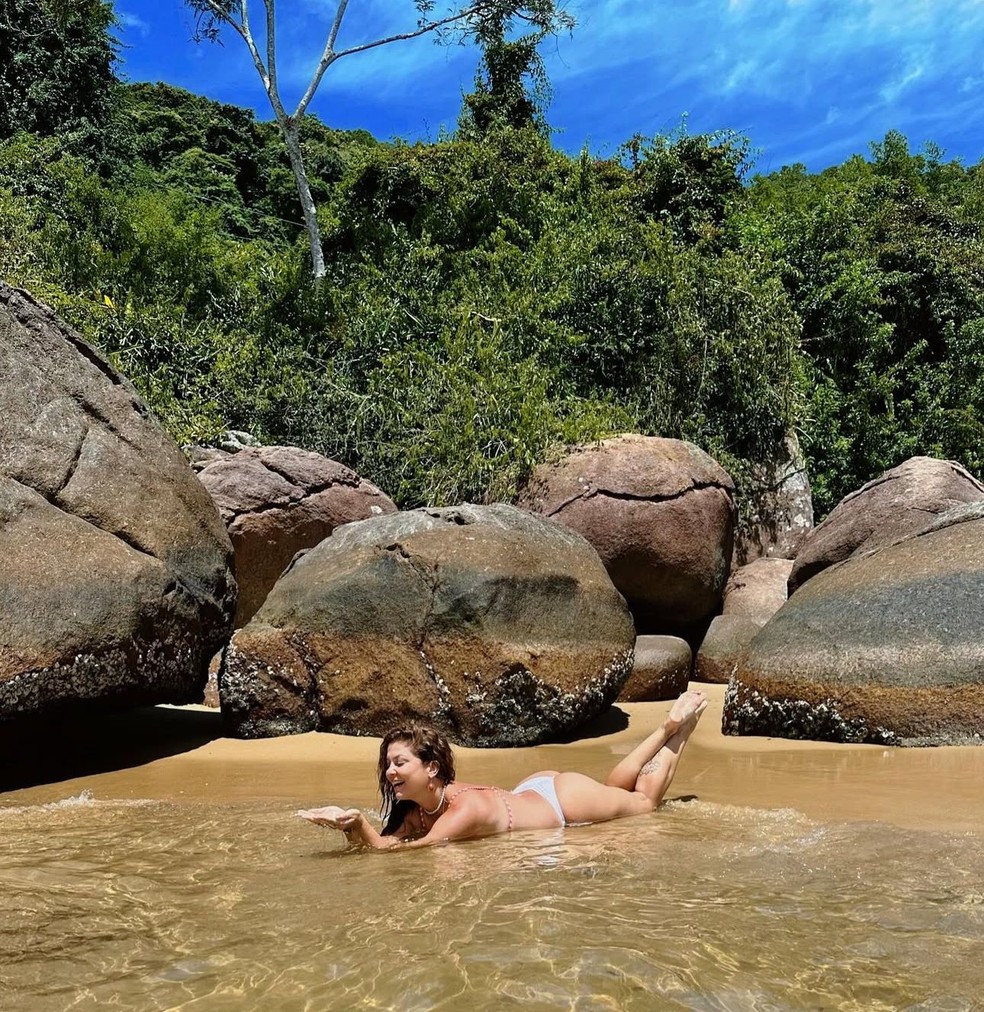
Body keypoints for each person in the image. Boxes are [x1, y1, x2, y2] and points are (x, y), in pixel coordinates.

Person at [296, 689, 708, 850]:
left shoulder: (465, 809)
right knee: (616, 792)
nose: (390, 772)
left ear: (432, 768)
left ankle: (672, 727)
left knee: (644, 802)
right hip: (528, 793)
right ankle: (669, 729)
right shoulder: (414, 808)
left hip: (561, 802)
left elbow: (414, 853)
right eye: (388, 764)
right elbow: (387, 846)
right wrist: (353, 827)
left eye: (400, 762)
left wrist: (358, 827)